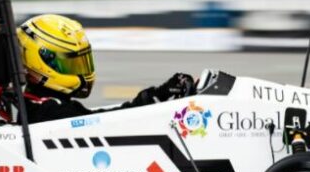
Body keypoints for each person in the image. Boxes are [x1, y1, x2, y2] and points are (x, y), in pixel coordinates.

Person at [15, 14, 194, 123]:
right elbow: (109, 124)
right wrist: (151, 99)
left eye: (82, 62)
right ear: (41, 62)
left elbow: (95, 118)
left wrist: (157, 96)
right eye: (71, 64)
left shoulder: (45, 103)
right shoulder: (49, 111)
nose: (80, 71)